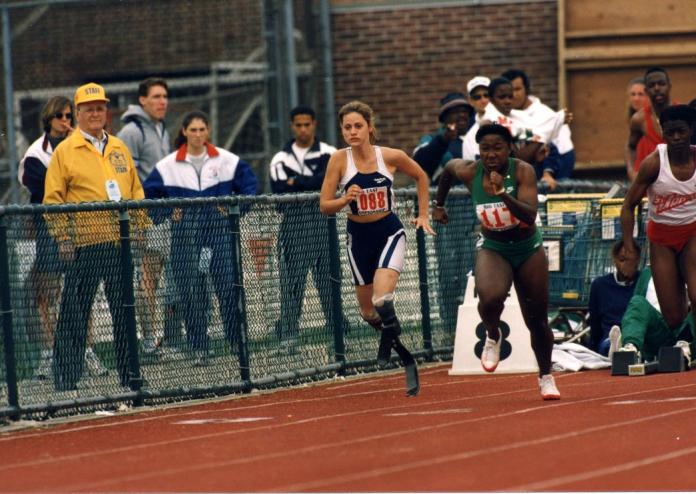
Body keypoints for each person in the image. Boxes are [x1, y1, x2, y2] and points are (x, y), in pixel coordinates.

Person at [433, 123, 560, 400]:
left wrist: (503, 193)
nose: (490, 154)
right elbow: (448, 171)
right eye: (485, 149)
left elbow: (528, 215)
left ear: (510, 148)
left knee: (537, 320)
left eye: (497, 148)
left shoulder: (523, 171)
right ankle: (493, 333)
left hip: (528, 247)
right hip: (494, 246)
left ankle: (546, 376)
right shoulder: (470, 171)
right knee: (489, 299)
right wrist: (439, 205)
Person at [320, 101, 434, 396]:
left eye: (358, 126)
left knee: (383, 299)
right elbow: (324, 205)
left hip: (388, 231)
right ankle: (391, 336)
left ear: (370, 127)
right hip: (358, 237)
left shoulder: (390, 156)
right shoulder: (338, 160)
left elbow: (421, 176)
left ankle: (397, 348)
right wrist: (345, 199)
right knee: (368, 311)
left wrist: (423, 214)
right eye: (347, 127)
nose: (353, 132)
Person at [43, 83, 149, 391]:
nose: (95, 113)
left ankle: (129, 375)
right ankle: (67, 379)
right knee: (75, 312)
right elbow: (53, 199)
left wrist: (139, 226)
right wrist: (63, 236)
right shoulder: (65, 151)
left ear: (107, 111)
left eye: (100, 108)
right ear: (77, 113)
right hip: (84, 244)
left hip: (119, 242)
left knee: (124, 311)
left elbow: (135, 190)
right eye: (88, 109)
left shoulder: (118, 147)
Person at [143, 111, 258, 366]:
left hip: (219, 234)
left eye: (201, 130)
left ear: (208, 131)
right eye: (192, 130)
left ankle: (236, 342)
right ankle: (199, 347)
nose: (197, 135)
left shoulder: (227, 161)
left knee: (228, 287)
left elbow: (250, 187)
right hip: (184, 237)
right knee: (190, 292)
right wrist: (166, 211)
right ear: (184, 131)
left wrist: (233, 208)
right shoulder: (167, 165)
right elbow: (148, 197)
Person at [19, 96, 107, 380]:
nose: (65, 121)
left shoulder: (80, 145)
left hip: (80, 224)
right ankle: (49, 354)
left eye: (69, 115)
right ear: (48, 119)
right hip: (50, 225)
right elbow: (49, 190)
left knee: (83, 291)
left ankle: (86, 351)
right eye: (59, 116)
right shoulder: (36, 154)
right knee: (47, 293)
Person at [620, 104, 696, 363]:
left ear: (691, 131)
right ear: (663, 133)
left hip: (692, 235)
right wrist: (629, 245)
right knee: (673, 316)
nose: (676, 138)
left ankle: (687, 341)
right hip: (661, 239)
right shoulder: (654, 163)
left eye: (681, 132)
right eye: (670, 132)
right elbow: (628, 205)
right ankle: (684, 334)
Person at [269, 105, 347, 350]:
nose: (303, 129)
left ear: (314, 124)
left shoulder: (330, 153)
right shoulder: (280, 158)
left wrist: (298, 182)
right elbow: (280, 189)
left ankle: (338, 335)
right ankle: (289, 335)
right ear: (292, 127)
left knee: (330, 279)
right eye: (298, 125)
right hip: (294, 223)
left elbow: (333, 184)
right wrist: (315, 183)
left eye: (307, 124)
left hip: (324, 221)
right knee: (292, 281)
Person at [117, 77, 176, 358]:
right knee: (146, 281)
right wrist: (136, 219)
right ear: (142, 100)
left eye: (164, 96)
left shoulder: (160, 128)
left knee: (155, 279)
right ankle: (148, 341)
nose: (162, 101)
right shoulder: (132, 131)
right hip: (145, 217)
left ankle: (157, 338)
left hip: (162, 215)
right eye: (156, 96)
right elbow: (124, 177)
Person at [412, 92, 475, 331]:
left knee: (472, 267)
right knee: (449, 270)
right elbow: (419, 163)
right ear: (444, 117)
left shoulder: (477, 138)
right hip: (446, 211)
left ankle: (473, 325)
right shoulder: (434, 140)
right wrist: (443, 141)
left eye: (464, 113)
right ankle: (451, 327)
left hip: (472, 210)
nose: (460, 117)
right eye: (453, 113)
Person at [461, 77, 566, 191]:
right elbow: (514, 160)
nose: (483, 100)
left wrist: (547, 172)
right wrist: (541, 137)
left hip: (529, 187)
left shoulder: (522, 120)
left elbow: (549, 147)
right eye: (477, 97)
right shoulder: (472, 136)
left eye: (486, 95)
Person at [502, 68, 575, 180]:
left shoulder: (546, 115)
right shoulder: (501, 116)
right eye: (509, 91)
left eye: (517, 89)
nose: (513, 94)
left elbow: (565, 152)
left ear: (526, 90)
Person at [612, 266, 693, 363]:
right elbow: (635, 310)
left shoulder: (691, 266)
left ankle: (684, 350)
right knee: (637, 301)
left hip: (687, 331)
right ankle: (630, 349)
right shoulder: (647, 273)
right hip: (657, 329)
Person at [587, 241, 640, 357]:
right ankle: (615, 347)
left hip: (638, 336)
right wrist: (592, 350)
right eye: (622, 260)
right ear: (614, 260)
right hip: (610, 336)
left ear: (638, 260)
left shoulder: (643, 281)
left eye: (632, 261)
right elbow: (594, 322)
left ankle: (627, 346)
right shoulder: (600, 285)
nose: (627, 265)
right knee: (608, 343)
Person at [625, 66, 673, 182]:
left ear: (669, 86)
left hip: (680, 181)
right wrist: (632, 172)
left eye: (661, 84)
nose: (657, 88)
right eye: (652, 85)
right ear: (647, 91)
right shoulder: (639, 119)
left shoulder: (683, 113)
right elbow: (630, 147)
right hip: (652, 182)